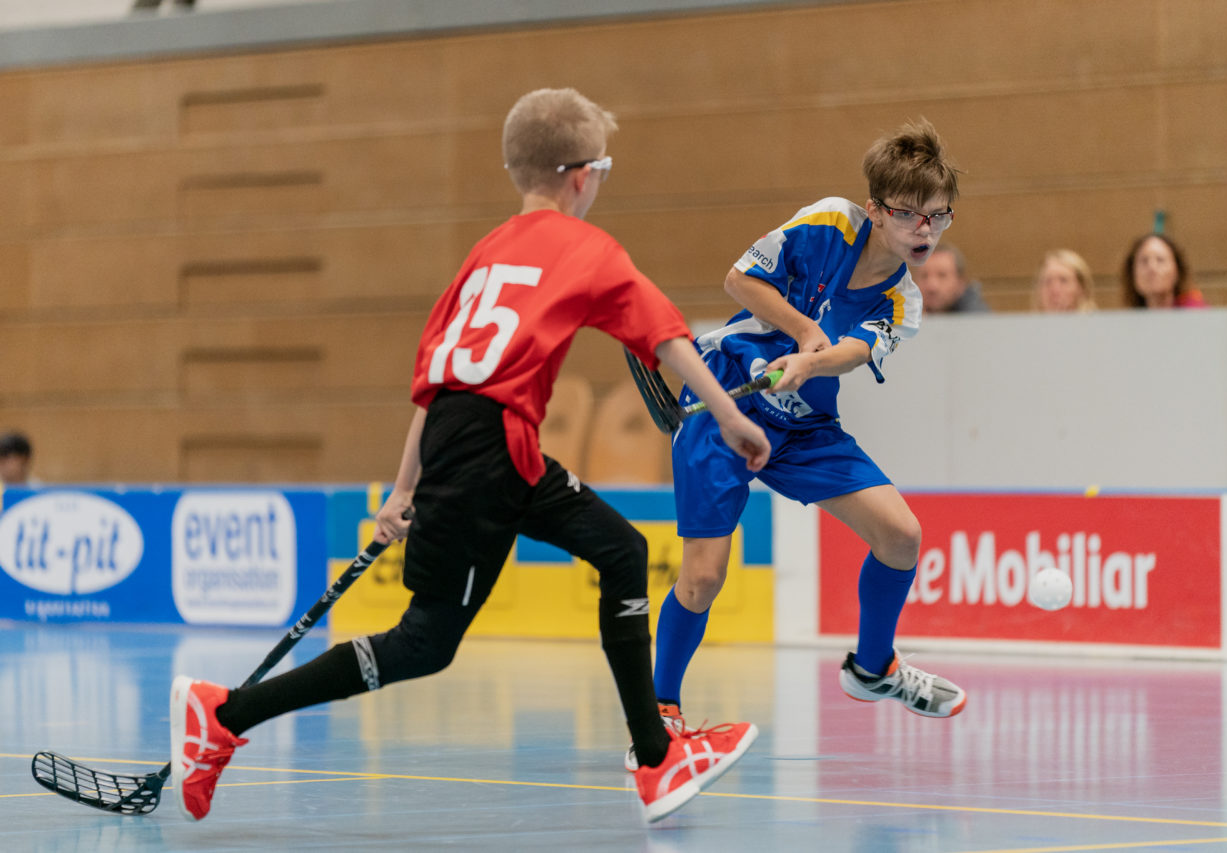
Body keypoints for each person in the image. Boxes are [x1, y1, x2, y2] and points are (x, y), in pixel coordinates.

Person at [169, 88, 771, 825]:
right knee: (425, 640)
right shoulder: (590, 248)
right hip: (492, 445)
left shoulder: (484, 253)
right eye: (604, 170)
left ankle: (656, 758)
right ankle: (224, 712)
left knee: (619, 550)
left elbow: (434, 383)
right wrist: (731, 412)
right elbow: (666, 339)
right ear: (582, 174)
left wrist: (401, 488)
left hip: (482, 439)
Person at [631, 120, 967, 768]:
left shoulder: (905, 299)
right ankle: (660, 713)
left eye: (937, 216)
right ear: (876, 209)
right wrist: (804, 330)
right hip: (727, 396)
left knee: (902, 536)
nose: (924, 230)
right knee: (702, 576)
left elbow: (853, 351)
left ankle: (873, 667)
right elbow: (739, 280)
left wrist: (812, 360)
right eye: (909, 214)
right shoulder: (831, 224)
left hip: (805, 422)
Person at [1121, 233, 1207, 309]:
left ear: (1177, 271)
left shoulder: (1195, 313)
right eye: (1144, 261)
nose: (1152, 268)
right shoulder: (1128, 322)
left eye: (1160, 260)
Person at [915, 242, 989, 313]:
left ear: (961, 282)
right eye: (924, 276)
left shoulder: (977, 320)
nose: (931, 286)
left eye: (942, 275)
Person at [1031, 249, 1098, 313]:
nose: (1054, 290)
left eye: (1063, 281)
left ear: (1081, 288)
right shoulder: (1028, 324)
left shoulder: (1097, 324)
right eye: (1047, 282)